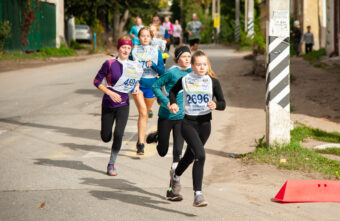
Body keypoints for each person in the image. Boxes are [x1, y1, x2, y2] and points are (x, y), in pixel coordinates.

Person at [168, 50, 226, 207]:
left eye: (204, 64)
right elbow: (172, 91)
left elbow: (223, 103)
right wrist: (173, 103)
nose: (202, 68)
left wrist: (216, 105)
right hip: (187, 124)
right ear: (192, 66)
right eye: (198, 65)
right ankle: (198, 195)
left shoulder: (213, 82)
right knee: (200, 155)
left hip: (205, 125)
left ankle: (176, 175)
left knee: (190, 156)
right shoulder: (185, 79)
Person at [93, 36, 143, 176]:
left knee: (119, 134)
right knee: (106, 137)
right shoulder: (109, 63)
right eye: (123, 48)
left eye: (128, 48)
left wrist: (137, 87)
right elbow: (96, 81)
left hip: (123, 104)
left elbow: (136, 81)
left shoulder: (134, 66)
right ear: (118, 48)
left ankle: (111, 163)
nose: (126, 50)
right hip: (108, 104)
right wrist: (109, 93)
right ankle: (104, 133)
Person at [147, 45, 192, 201]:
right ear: (177, 58)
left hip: (182, 118)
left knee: (177, 153)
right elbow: (155, 86)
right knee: (162, 151)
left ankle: (172, 190)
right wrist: (167, 102)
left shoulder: (193, 73)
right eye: (184, 56)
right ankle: (159, 136)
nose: (187, 59)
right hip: (166, 116)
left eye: (189, 56)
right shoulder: (171, 72)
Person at [130, 27, 165, 155]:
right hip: (138, 85)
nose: (145, 38)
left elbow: (162, 71)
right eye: (142, 36)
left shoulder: (156, 51)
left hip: (152, 85)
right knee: (143, 113)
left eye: (147, 36)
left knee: (145, 113)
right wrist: (134, 82)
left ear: (151, 38)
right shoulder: (133, 52)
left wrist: (153, 65)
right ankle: (140, 143)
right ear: (138, 38)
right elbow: (128, 69)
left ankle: (140, 139)